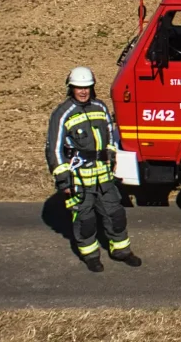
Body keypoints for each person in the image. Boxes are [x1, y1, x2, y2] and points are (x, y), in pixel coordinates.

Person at [46, 66, 141, 272]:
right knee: (85, 219)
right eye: (78, 88)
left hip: (104, 174)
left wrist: (113, 157)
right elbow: (53, 150)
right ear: (70, 88)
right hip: (79, 177)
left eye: (87, 87)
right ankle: (90, 255)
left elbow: (110, 136)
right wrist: (64, 181)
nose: (83, 91)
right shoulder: (62, 114)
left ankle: (121, 250)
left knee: (115, 213)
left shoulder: (100, 107)